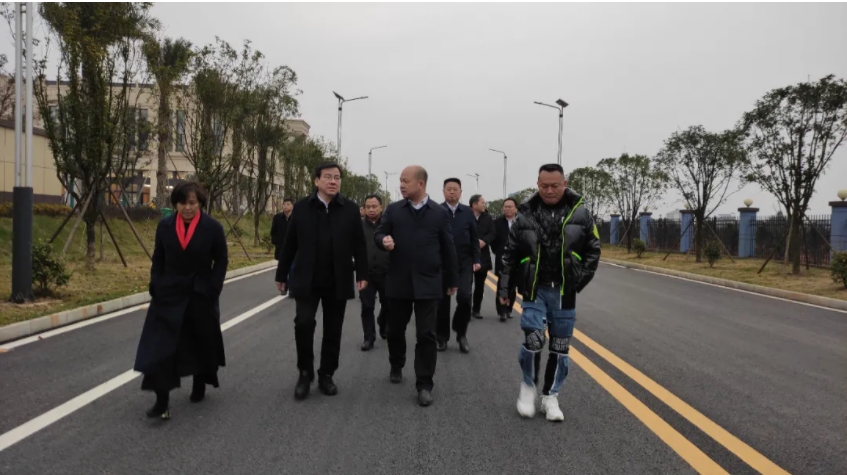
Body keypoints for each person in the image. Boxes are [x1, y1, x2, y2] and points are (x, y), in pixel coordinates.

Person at [498, 163, 601, 422]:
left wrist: (578, 280)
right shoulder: (524, 215)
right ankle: (528, 385)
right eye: (544, 186)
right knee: (533, 339)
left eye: (555, 185)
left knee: (560, 346)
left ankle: (550, 396)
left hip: (565, 292)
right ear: (538, 184)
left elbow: (594, 250)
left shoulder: (582, 214)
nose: (550, 190)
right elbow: (510, 254)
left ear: (564, 184)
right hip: (535, 289)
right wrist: (505, 288)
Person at [134, 181, 228, 420]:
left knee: (199, 341)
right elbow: (158, 258)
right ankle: (162, 401)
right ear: (175, 204)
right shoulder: (165, 226)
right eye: (182, 203)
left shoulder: (213, 228)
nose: (187, 208)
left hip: (200, 292)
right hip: (169, 293)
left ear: (200, 203)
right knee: (161, 346)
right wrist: (156, 284)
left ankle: (199, 381)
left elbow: (221, 260)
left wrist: (213, 288)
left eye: (192, 203)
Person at [275, 162, 369, 401]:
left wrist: (362, 274)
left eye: (337, 177)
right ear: (316, 181)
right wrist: (281, 274)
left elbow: (359, 245)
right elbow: (290, 243)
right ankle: (305, 373)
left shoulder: (349, 209)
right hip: (307, 279)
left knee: (333, 329)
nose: (333, 181)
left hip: (338, 278)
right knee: (303, 324)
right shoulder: (302, 207)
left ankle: (327, 374)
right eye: (328, 177)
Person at [375, 166, 458, 407]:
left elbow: (448, 247)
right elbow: (379, 233)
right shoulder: (393, 210)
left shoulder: (439, 213)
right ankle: (396, 363)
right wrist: (383, 240)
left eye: (406, 181)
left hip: (429, 282)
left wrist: (451, 280)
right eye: (400, 181)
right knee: (394, 330)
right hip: (398, 280)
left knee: (426, 334)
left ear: (420, 184)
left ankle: (424, 384)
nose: (401, 185)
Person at [437, 178, 480, 354]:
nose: (452, 192)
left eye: (455, 189)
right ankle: (441, 337)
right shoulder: (436, 211)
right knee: (441, 302)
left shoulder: (468, 212)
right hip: (442, 263)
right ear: (443, 192)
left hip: (464, 262)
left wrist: (477, 259)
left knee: (464, 297)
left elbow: (474, 237)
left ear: (461, 192)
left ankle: (461, 333)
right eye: (449, 189)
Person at [359, 194, 390, 351]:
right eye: (368, 207)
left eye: (374, 206)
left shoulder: (388, 225)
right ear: (364, 209)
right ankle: (368, 338)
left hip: (387, 272)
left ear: (381, 207)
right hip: (366, 273)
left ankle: (383, 322)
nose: (371, 209)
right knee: (367, 306)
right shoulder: (358, 227)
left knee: (388, 303)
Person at [492, 197, 519, 322]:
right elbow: (493, 241)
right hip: (502, 259)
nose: (507, 209)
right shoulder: (497, 222)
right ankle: (501, 311)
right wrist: (498, 251)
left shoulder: (521, 222)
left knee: (513, 285)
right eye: (505, 207)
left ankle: (509, 309)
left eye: (510, 206)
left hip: (517, 259)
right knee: (502, 285)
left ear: (516, 209)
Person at [469, 194, 496, 320]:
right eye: (482, 202)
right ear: (474, 204)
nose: (484, 205)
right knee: (466, 286)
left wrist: (484, 241)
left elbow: (492, 233)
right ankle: (465, 310)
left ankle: (476, 310)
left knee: (480, 286)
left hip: (483, 255)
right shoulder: (465, 216)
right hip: (467, 255)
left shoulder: (487, 217)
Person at [270, 198, 294, 295]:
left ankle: (292, 288)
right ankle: (284, 286)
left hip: (294, 248)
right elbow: (273, 232)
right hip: (281, 248)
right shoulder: (277, 218)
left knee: (293, 268)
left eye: (288, 204)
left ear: (292, 206)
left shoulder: (296, 217)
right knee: (283, 267)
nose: (285, 206)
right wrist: (277, 242)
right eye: (284, 204)